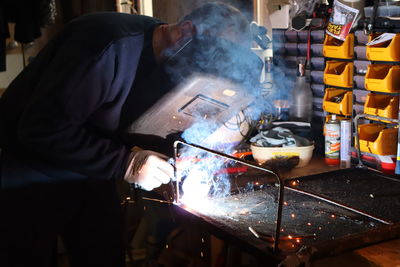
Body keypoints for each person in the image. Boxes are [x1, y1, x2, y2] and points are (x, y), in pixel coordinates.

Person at [0, 2, 257, 267]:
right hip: (31, 168)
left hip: (92, 166)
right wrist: (126, 163)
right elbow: (41, 129)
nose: (210, 68)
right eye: (213, 55)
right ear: (186, 32)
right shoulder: (105, 46)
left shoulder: (170, 61)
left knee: (104, 252)